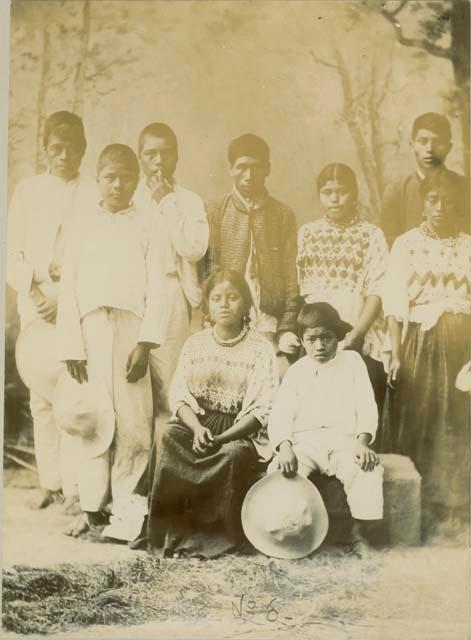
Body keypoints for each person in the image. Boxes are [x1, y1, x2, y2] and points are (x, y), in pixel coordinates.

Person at [56, 144, 168, 542]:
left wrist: (146, 342)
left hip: (131, 331)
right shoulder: (82, 224)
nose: (118, 184)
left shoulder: (148, 226)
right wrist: (71, 345)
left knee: (134, 424)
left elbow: (158, 287)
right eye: (110, 177)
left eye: (126, 177)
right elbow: (67, 287)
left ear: (137, 181)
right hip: (88, 331)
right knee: (91, 418)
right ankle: (90, 508)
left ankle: (128, 512)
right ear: (98, 179)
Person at [147, 270, 278, 559]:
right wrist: (196, 429)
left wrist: (221, 437)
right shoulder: (195, 343)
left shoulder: (261, 350)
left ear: (245, 303)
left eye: (232, 298)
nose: (224, 304)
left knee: (232, 455)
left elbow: (262, 408)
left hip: (237, 429)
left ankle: (213, 537)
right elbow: (179, 393)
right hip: (197, 424)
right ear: (207, 305)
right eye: (216, 298)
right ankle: (170, 529)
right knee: (167, 435)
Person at [6, 110, 97, 510]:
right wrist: (37, 285)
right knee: (41, 395)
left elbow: (100, 252)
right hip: (36, 301)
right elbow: (12, 252)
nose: (64, 156)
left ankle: (79, 487)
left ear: (84, 149)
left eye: (72, 148)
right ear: (45, 149)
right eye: (57, 148)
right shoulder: (28, 191)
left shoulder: (94, 191)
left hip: (78, 301)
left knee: (76, 392)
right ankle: (51, 480)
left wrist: (67, 295)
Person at [381, 174, 471, 542]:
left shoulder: (468, 246)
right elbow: (394, 305)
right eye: (432, 199)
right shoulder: (406, 245)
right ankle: (418, 513)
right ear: (422, 202)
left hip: (462, 349)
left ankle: (455, 510)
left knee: (456, 425)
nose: (439, 207)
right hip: (421, 345)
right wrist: (397, 355)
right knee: (420, 421)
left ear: (457, 205)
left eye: (447, 200)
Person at [267, 302, 384, 558]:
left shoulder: (352, 362)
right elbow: (281, 413)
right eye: (311, 339)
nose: (319, 346)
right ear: (302, 340)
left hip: (345, 441)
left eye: (326, 338)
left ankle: (359, 536)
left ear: (338, 337)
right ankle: (291, 536)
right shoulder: (297, 371)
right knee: (281, 471)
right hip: (305, 443)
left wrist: (362, 442)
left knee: (366, 470)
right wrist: (285, 447)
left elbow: (366, 405)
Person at [297, 163, 388, 417]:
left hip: (356, 332)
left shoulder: (371, 235)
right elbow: (301, 289)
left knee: (356, 408)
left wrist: (357, 333)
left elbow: (377, 288)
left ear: (355, 194)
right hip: (316, 333)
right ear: (319, 196)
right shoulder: (307, 233)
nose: (335, 198)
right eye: (327, 192)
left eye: (342, 191)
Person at [204, 133, 300, 368]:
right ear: (230, 169)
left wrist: (286, 327)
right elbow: (209, 269)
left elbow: (291, 277)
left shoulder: (282, 215)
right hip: (226, 317)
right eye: (241, 167)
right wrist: (214, 316)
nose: (249, 175)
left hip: (270, 320)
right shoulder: (215, 210)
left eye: (256, 167)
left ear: (267, 169)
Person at [134, 122, 208, 410]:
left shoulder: (189, 200)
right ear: (139, 156)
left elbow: (194, 249)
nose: (159, 161)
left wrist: (166, 201)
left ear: (177, 157)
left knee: (168, 386)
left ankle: (166, 453)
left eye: (166, 153)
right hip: (132, 297)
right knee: (132, 386)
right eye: (151, 154)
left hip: (170, 294)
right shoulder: (129, 197)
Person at [381, 112, 468, 247]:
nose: (430, 149)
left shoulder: (465, 188)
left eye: (438, 142)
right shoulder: (396, 192)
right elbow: (388, 247)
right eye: (423, 141)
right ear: (412, 144)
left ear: (449, 147)